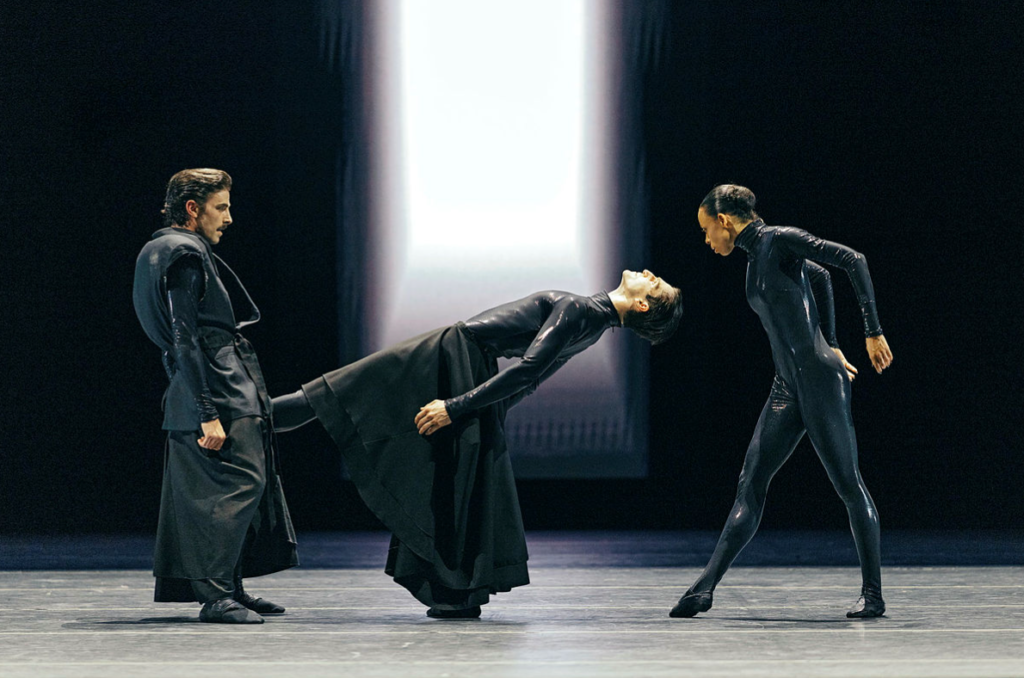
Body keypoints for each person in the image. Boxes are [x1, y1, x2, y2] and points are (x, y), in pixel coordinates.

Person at [272, 271, 684, 618]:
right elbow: (531, 378)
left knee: (339, 392)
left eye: (655, 285)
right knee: (356, 403)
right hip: (466, 363)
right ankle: (455, 590)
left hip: (452, 354)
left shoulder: (579, 310)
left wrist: (457, 407)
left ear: (641, 305)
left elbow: (528, 372)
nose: (651, 275)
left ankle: (249, 419)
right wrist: (487, 415)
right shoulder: (592, 326)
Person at [670, 185, 893, 620]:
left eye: (706, 229)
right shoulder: (755, 260)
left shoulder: (779, 239)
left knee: (849, 486)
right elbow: (820, 278)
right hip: (786, 387)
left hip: (820, 383)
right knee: (750, 483)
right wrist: (830, 338)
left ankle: (874, 595)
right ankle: (704, 588)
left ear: (724, 221)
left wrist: (870, 331)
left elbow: (853, 260)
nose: (706, 239)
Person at [133, 169, 298, 624]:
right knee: (237, 487)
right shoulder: (182, 253)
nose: (228, 218)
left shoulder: (162, 251)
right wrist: (206, 410)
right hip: (218, 386)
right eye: (221, 207)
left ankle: (231, 587)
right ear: (193, 208)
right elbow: (183, 338)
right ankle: (215, 594)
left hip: (217, 382)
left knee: (245, 487)